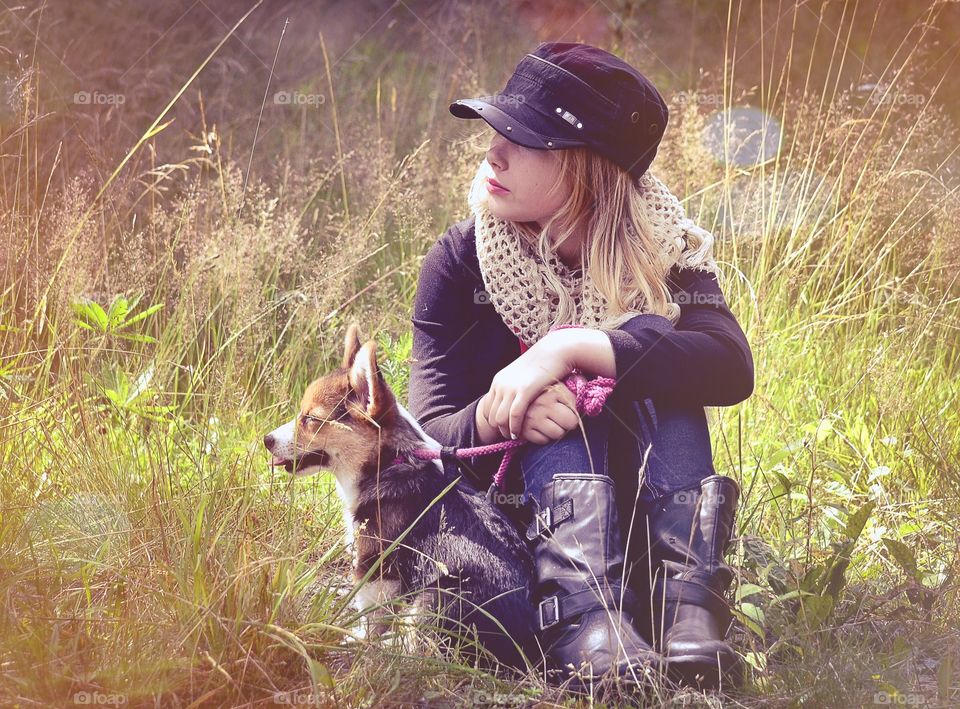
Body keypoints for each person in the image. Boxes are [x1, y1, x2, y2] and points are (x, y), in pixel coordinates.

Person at [407, 42, 754, 690]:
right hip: (518, 541)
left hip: (641, 526)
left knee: (655, 343)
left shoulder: (664, 250)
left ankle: (687, 610)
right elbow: (420, 447)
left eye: (524, 136)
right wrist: (492, 414)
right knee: (576, 392)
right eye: (497, 126)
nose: (494, 148)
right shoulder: (460, 263)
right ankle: (586, 625)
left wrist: (565, 348)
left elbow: (731, 364)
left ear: (586, 170)